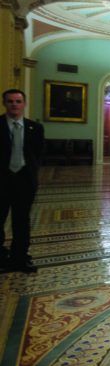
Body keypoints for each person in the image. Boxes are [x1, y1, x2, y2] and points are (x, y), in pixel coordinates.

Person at [1, 89, 45, 274]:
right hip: (1, 180)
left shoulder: (34, 128)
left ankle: (20, 257)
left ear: (24, 104)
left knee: (22, 220)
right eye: (10, 101)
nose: (14, 105)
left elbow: (38, 154)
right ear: (5, 104)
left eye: (18, 101)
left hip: (24, 181)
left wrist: (32, 174)